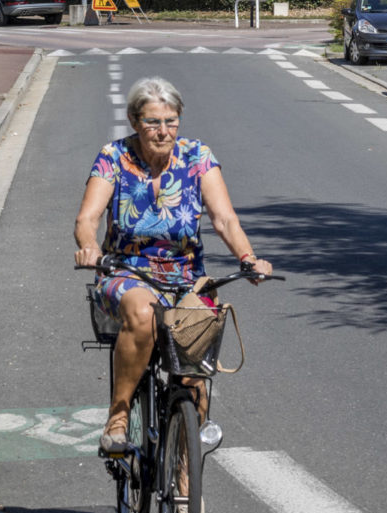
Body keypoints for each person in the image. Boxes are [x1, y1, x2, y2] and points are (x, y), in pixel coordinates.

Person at [74, 75, 272, 454]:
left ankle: (185, 473)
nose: (162, 131)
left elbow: (225, 219)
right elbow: (88, 218)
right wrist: (88, 247)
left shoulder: (198, 157)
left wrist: (248, 258)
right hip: (127, 271)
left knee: (193, 360)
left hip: (186, 278)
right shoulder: (113, 157)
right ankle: (118, 414)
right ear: (135, 122)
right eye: (152, 122)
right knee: (144, 314)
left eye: (170, 122)